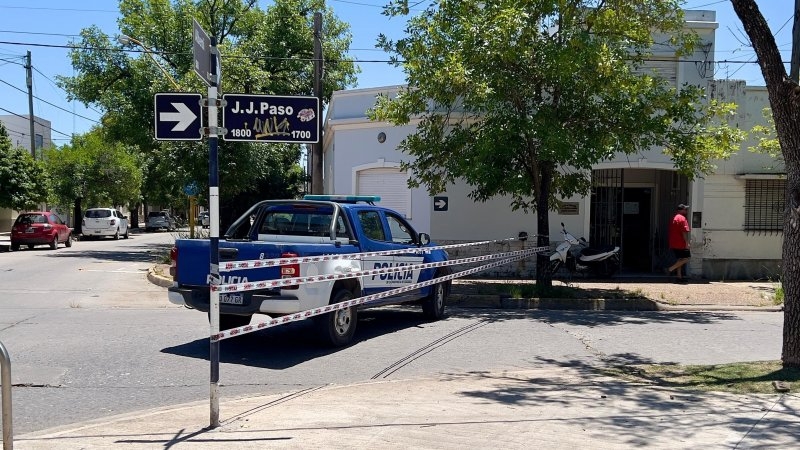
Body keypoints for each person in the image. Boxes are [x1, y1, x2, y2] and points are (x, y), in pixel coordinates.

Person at [665, 204, 691, 283]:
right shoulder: (682, 218)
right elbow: (684, 232)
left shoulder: (674, 218)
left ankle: (679, 277)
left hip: (673, 242)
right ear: (681, 210)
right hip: (681, 242)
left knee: (680, 259)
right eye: (685, 209)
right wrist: (687, 242)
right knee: (687, 258)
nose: (686, 211)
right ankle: (670, 269)